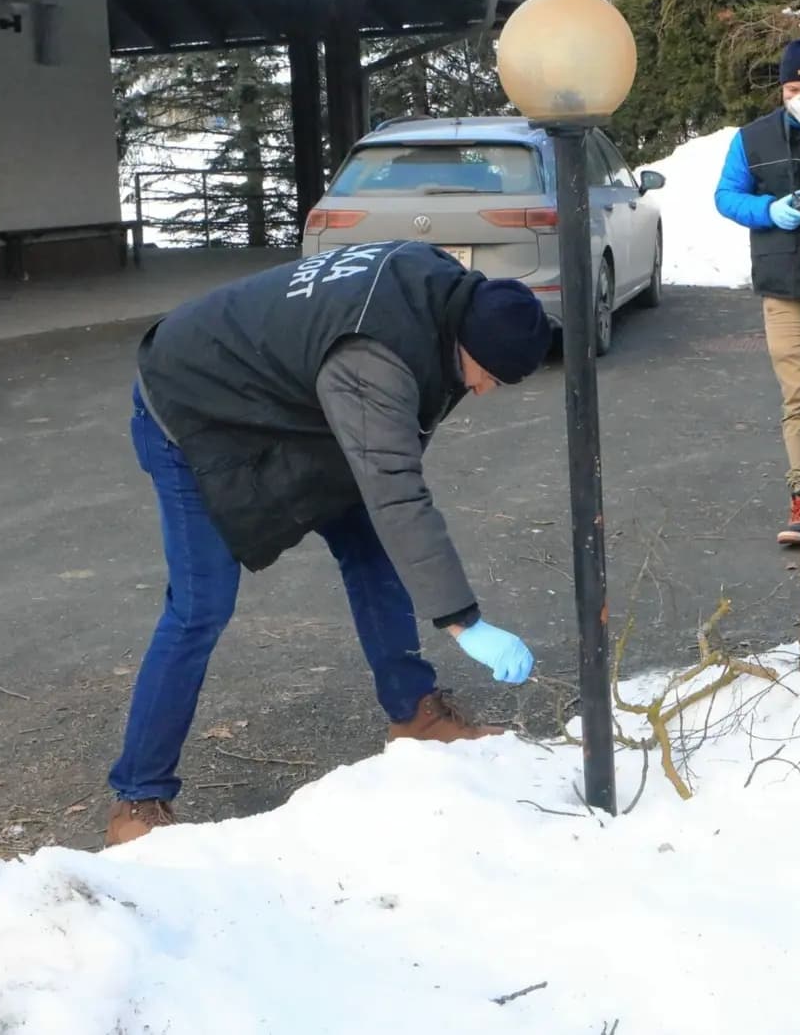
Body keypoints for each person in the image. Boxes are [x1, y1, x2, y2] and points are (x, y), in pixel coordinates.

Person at [105, 240, 553, 846]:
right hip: (188, 407)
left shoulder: (448, 293)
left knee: (372, 551)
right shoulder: (377, 359)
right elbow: (396, 493)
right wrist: (463, 623)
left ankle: (415, 714)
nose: (484, 392)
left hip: (285, 401)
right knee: (199, 605)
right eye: (488, 376)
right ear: (466, 346)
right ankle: (139, 798)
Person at [714, 37, 800, 547]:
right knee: (799, 394)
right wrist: (769, 211)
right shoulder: (751, 140)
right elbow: (726, 196)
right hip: (785, 284)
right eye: (793, 88)